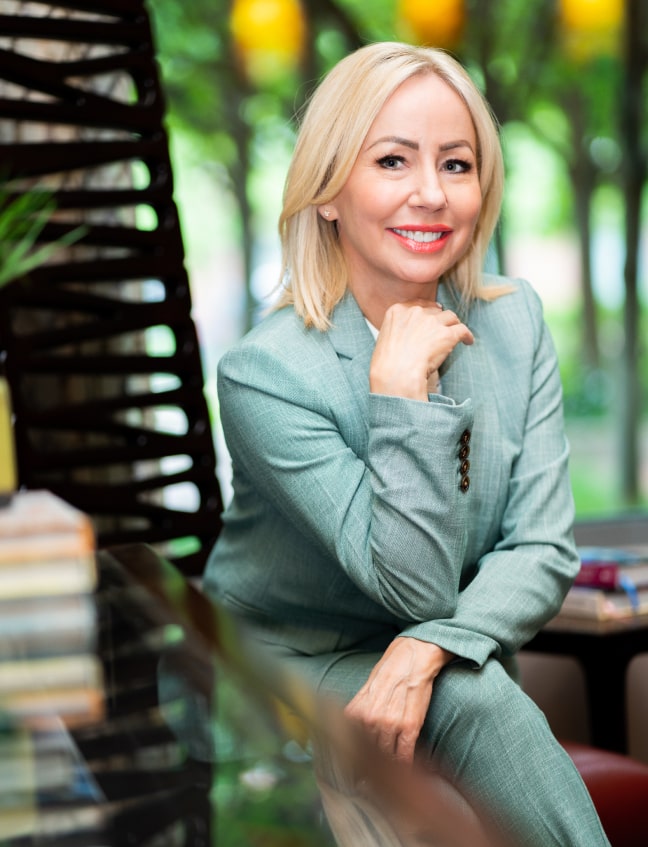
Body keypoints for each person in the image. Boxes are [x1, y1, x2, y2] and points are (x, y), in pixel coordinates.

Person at [203, 41, 610, 847]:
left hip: (440, 657)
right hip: (285, 663)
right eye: (393, 160)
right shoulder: (266, 374)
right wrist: (400, 394)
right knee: (481, 697)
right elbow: (414, 587)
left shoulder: (516, 320)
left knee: (476, 695)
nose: (431, 194)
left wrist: (426, 651)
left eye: (456, 165)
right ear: (327, 192)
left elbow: (542, 545)